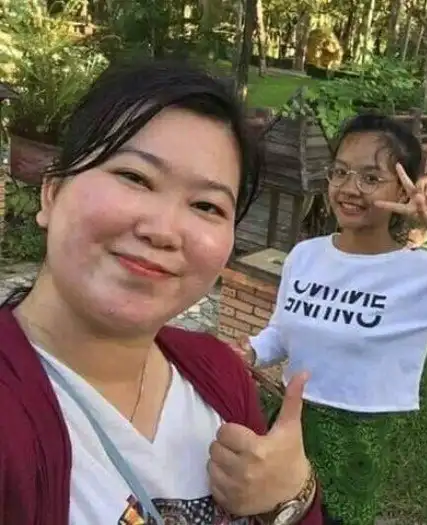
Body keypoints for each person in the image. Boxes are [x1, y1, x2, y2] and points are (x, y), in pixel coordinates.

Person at [0, 60, 324, 525]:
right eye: (135, 177)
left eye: (207, 205)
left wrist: (292, 498)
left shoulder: (218, 374)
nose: (164, 231)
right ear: (52, 193)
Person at [244, 114, 427, 525]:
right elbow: (282, 332)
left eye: (371, 178)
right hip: (288, 423)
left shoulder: (425, 275)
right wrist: (251, 352)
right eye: (340, 172)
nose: (349, 188)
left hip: (358, 445)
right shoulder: (305, 255)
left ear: (404, 188)